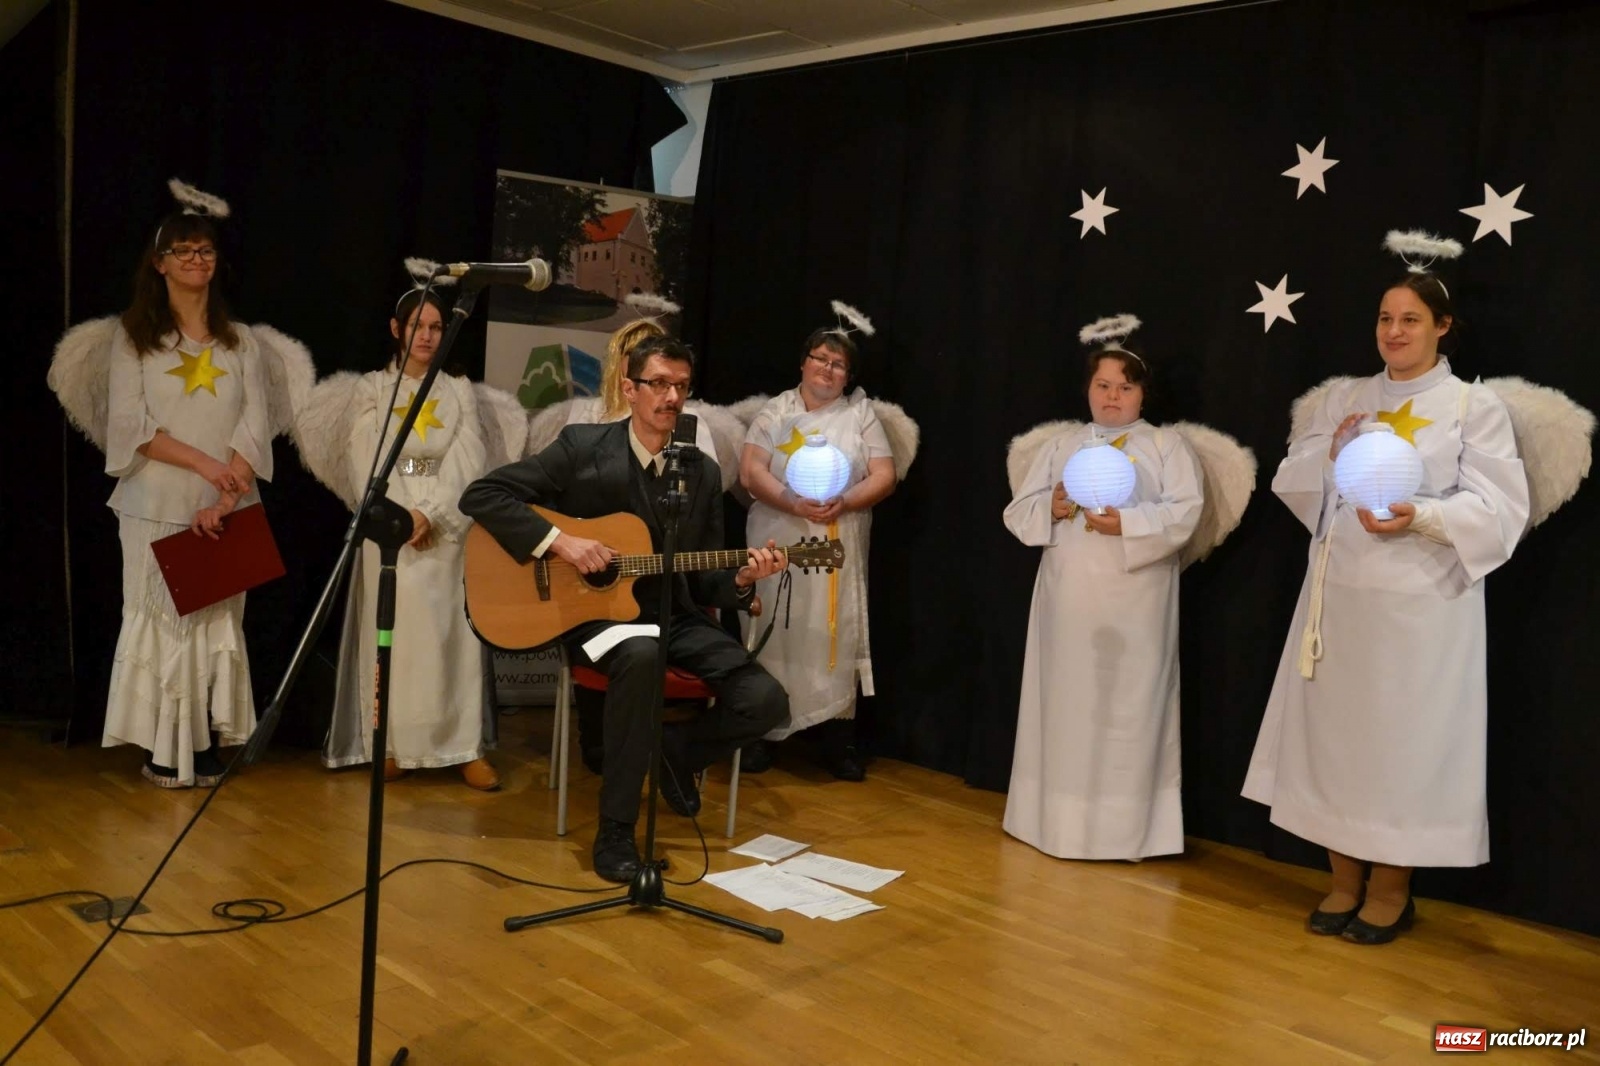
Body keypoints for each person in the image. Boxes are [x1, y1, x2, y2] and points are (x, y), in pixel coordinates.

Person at [1243, 267, 1528, 944]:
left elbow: (1500, 509)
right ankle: (1343, 880)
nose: (1394, 332)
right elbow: (1296, 480)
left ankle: (1392, 889)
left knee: (1402, 746)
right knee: (1339, 743)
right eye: (1384, 319)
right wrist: (1329, 453)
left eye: (1410, 320)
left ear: (1442, 327)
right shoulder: (1347, 397)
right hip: (1341, 604)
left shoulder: (1471, 407)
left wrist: (1420, 517)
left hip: (1421, 611)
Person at [460, 336, 789, 882]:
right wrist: (562, 543)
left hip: (673, 614)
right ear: (629, 389)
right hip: (593, 618)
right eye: (658, 384)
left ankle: (677, 753)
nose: (672, 397)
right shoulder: (583, 448)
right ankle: (615, 832)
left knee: (766, 701)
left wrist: (742, 576)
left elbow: (702, 579)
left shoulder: (701, 473)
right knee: (640, 651)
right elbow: (483, 495)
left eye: (681, 386)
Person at [1001, 319, 1204, 860]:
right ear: (1088, 390)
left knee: (1128, 710)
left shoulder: (1167, 445)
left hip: (1136, 599)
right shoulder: (1062, 444)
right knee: (1064, 704)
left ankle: (1125, 832)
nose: (1113, 397)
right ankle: (1051, 822)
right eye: (1103, 386)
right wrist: (1054, 505)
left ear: (1142, 393)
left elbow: (1186, 514)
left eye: (1126, 386)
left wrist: (1131, 524)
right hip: (1068, 595)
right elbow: (1019, 510)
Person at [100, 193, 271, 787]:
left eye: (206, 250)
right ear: (160, 263)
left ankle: (203, 742)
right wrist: (202, 465)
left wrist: (226, 494)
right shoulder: (133, 338)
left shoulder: (240, 341)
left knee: (216, 622)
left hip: (227, 504)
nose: (198, 260)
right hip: (156, 503)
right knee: (164, 618)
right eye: (184, 250)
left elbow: (255, 424)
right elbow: (129, 427)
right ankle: (164, 747)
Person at [317, 277, 499, 789]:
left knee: (451, 639)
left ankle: (462, 747)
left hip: (445, 531)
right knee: (395, 637)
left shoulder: (458, 391)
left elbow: (469, 460)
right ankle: (391, 743)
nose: (427, 335)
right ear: (397, 329)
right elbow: (364, 460)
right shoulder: (373, 389)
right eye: (417, 325)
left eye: (437, 327)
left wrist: (431, 513)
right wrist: (400, 516)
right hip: (391, 531)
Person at [737, 325, 898, 780]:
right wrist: (792, 501)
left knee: (833, 633)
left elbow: (884, 474)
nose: (828, 368)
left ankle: (837, 740)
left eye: (839, 363)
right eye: (821, 358)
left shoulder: (860, 414)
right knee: (775, 625)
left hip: (836, 538)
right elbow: (752, 471)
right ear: (803, 362)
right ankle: (761, 734)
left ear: (847, 376)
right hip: (778, 536)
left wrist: (843, 501)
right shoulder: (776, 410)